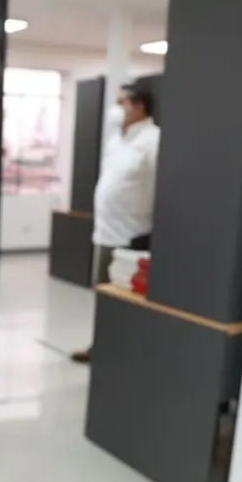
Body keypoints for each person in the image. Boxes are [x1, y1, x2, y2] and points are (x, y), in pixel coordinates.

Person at [72, 82, 160, 364]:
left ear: (139, 107)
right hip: (105, 232)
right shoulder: (116, 140)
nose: (116, 108)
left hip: (131, 234)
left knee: (126, 299)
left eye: (121, 102)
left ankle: (124, 352)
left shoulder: (153, 139)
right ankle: (102, 345)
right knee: (103, 295)